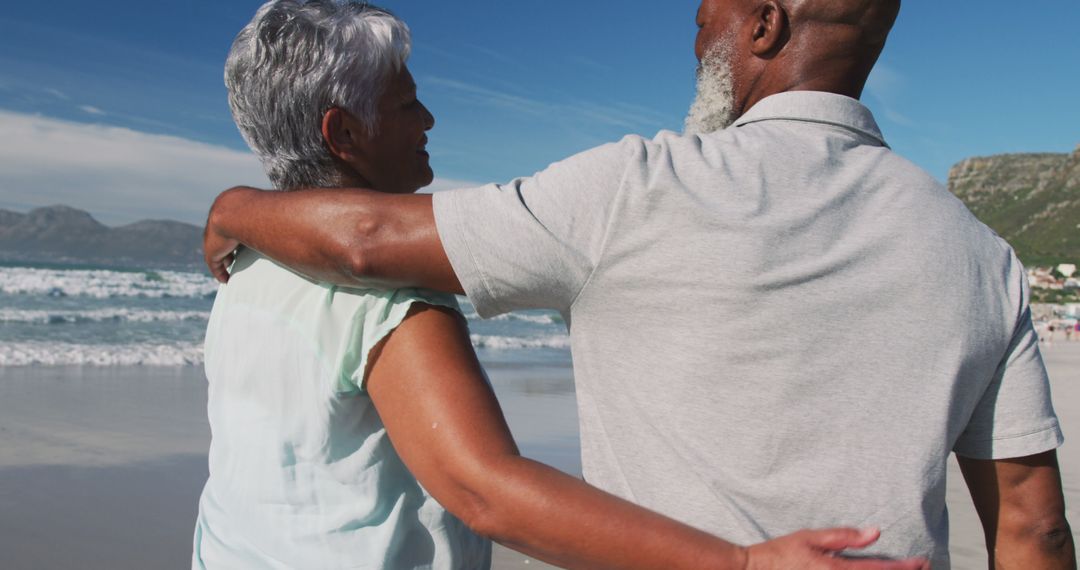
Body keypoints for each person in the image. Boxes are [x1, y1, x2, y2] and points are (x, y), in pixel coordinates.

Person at [202, 0, 1075, 568]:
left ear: (764, 27)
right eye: (407, 103)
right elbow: (1033, 527)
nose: (694, 33)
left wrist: (236, 204)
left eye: (707, 16)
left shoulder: (638, 190)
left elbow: (364, 238)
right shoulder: (981, 253)